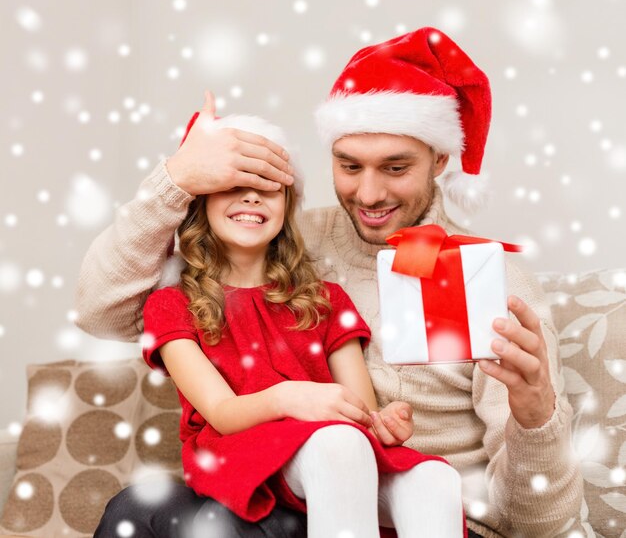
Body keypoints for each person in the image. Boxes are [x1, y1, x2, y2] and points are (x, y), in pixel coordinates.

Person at [79, 27, 583, 538]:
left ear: (441, 159)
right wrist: (177, 179)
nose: (369, 192)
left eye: (395, 167)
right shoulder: (290, 243)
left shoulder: (490, 279)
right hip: (296, 492)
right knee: (136, 511)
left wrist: (536, 416)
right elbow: (104, 311)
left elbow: (543, 523)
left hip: (430, 508)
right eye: (349, 166)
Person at [136, 112, 465, 538]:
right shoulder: (172, 304)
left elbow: (359, 410)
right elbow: (221, 413)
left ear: (287, 205)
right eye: (235, 187)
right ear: (202, 203)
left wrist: (383, 422)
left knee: (435, 479)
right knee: (340, 445)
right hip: (240, 450)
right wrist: (290, 397)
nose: (252, 198)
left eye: (269, 189)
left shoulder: (326, 300)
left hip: (335, 450)